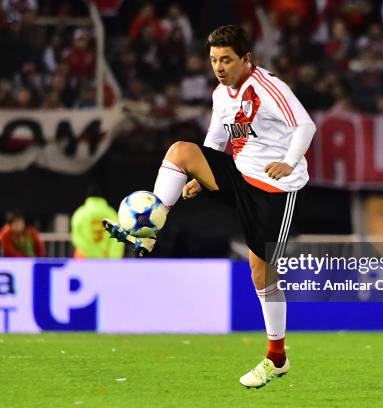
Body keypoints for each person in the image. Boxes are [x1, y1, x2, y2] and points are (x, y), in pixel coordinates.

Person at [105, 25, 316, 388]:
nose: (219, 67)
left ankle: (277, 358)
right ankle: (149, 227)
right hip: (239, 174)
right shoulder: (221, 95)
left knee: (261, 276)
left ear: (246, 58)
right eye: (214, 60)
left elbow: (305, 126)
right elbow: (216, 142)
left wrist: (290, 161)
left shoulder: (269, 88)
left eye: (227, 60)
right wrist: (199, 176)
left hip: (274, 188)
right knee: (181, 152)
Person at [71, 193, 125, 259]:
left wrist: (87, 252)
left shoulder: (80, 213)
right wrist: (113, 257)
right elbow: (118, 237)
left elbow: (77, 237)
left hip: (84, 258)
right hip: (106, 258)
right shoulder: (111, 213)